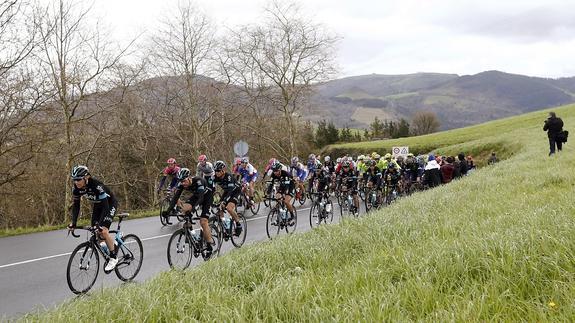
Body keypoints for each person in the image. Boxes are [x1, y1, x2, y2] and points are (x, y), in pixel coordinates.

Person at [68, 165, 119, 272]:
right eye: (74, 180)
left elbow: (105, 207)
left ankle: (114, 257)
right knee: (96, 234)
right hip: (97, 205)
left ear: (86, 177)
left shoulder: (96, 186)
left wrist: (99, 225)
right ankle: (112, 245)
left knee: (103, 231)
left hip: (109, 204)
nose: (76, 182)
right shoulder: (76, 189)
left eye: (78, 179)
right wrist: (73, 223)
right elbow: (76, 206)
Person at [162, 168, 214, 257]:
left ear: (189, 178)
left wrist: (193, 211)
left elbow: (201, 199)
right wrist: (168, 211)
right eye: (181, 181)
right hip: (196, 196)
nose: (183, 183)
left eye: (184, 181)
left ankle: (209, 246)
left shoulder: (199, 181)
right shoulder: (182, 184)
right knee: (184, 210)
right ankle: (195, 239)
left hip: (207, 198)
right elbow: (175, 198)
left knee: (203, 222)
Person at [213, 161, 243, 236]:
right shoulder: (215, 177)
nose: (217, 172)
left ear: (223, 170)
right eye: (215, 171)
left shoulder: (229, 177)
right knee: (219, 209)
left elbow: (230, 191)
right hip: (227, 192)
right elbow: (211, 189)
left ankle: (238, 224)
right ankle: (226, 227)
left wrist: (224, 201)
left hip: (235, 191)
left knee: (229, 208)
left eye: (218, 171)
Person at [269, 161, 297, 225]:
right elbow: (271, 184)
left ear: (279, 170)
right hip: (282, 186)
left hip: (290, 186)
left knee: (286, 201)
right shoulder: (273, 174)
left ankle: (292, 215)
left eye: (276, 170)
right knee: (277, 199)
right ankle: (279, 218)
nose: (275, 172)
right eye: (274, 171)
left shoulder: (285, 174)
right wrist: (268, 193)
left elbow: (287, 186)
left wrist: (284, 194)